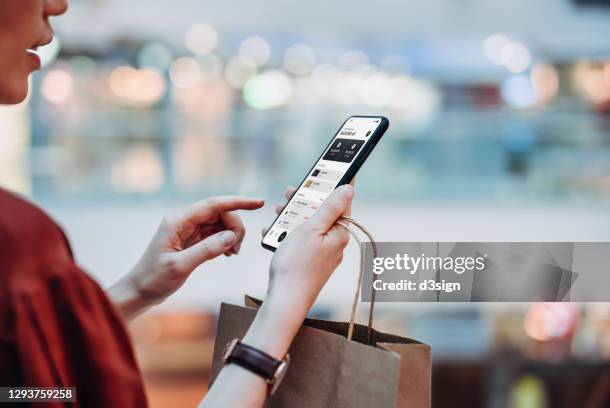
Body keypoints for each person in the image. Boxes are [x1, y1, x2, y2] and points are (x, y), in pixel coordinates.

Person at [0, 1, 354, 407]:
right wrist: (285, 303)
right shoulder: (16, 242)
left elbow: (20, 389)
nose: (57, 5)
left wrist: (138, 289)